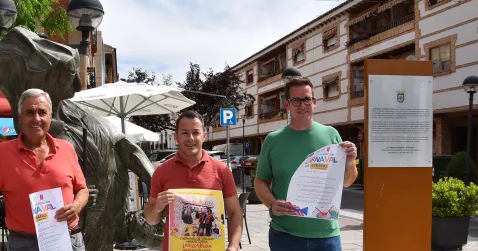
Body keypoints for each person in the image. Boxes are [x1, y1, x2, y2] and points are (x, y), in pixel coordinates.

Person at [0, 88, 90, 251]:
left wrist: (77, 205)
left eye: (42, 112)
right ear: (20, 118)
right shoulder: (2, 152)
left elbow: (83, 189)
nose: (37, 118)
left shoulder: (67, 148)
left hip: (67, 238)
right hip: (24, 243)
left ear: (50, 117)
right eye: (29, 112)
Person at [254, 76, 358, 251]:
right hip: (285, 236)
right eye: (296, 101)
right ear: (287, 105)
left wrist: (349, 162)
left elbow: (347, 181)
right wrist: (271, 203)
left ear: (314, 102)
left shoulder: (331, 135)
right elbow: (260, 181)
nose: (302, 105)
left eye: (307, 100)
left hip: (327, 236)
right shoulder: (273, 140)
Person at [144, 110, 243, 251]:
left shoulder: (222, 170)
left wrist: (233, 246)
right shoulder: (161, 171)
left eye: (196, 132)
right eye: (184, 133)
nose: (190, 138)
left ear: (204, 136)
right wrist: (157, 207)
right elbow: (150, 219)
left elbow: (235, 212)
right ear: (176, 137)